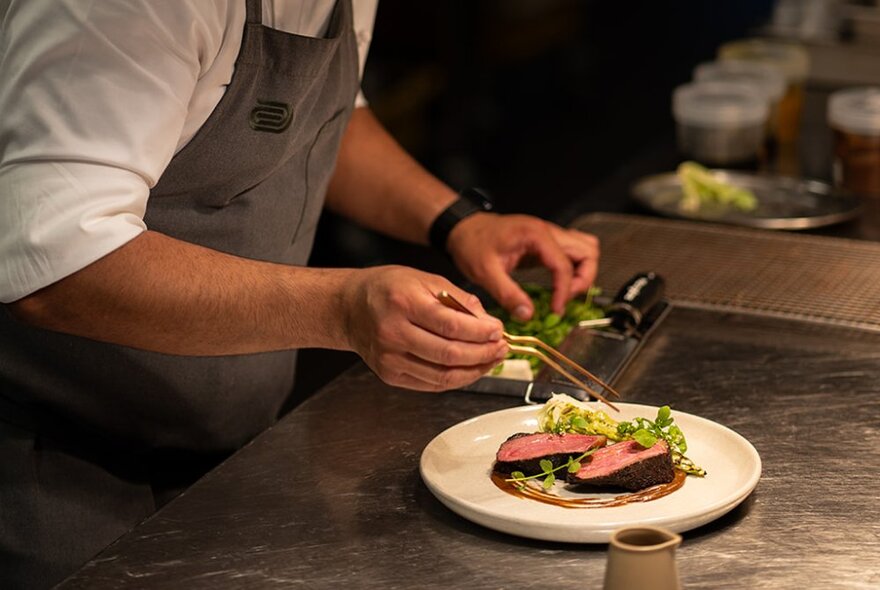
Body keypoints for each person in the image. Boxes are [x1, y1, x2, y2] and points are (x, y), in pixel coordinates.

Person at [0, 1, 600, 587]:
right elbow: (55, 261)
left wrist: (456, 222)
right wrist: (340, 310)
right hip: (54, 464)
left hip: (225, 449)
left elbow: (322, 120)